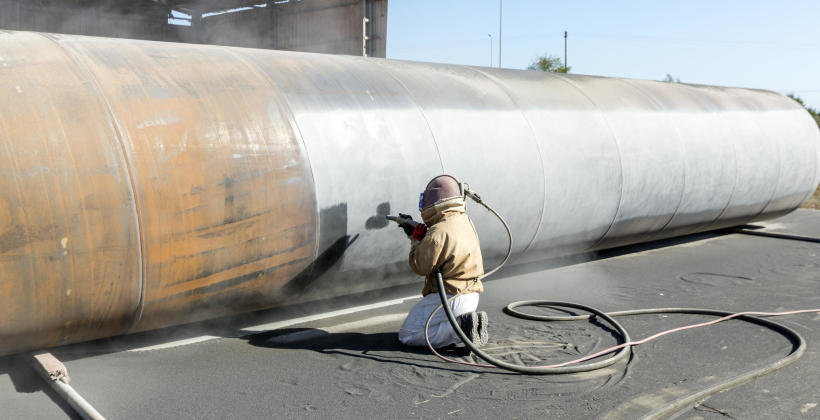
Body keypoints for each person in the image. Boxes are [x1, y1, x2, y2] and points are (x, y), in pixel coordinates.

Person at [397, 174, 489, 348]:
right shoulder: (465, 220)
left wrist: (415, 241)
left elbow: (421, 266)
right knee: (430, 325)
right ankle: (466, 323)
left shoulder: (438, 231)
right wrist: (423, 237)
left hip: (450, 298)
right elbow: (447, 248)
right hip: (471, 296)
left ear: (434, 202)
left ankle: (461, 327)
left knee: (408, 334)